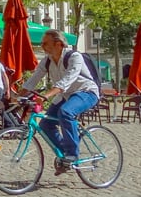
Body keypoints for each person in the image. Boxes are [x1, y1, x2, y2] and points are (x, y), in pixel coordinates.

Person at [21, 29, 100, 175]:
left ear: (58, 44)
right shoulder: (47, 60)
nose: (42, 46)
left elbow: (67, 81)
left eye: (45, 43)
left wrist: (47, 95)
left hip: (86, 92)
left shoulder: (74, 57)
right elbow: (35, 78)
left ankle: (72, 154)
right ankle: (65, 155)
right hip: (65, 96)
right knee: (45, 124)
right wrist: (18, 95)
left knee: (66, 112)